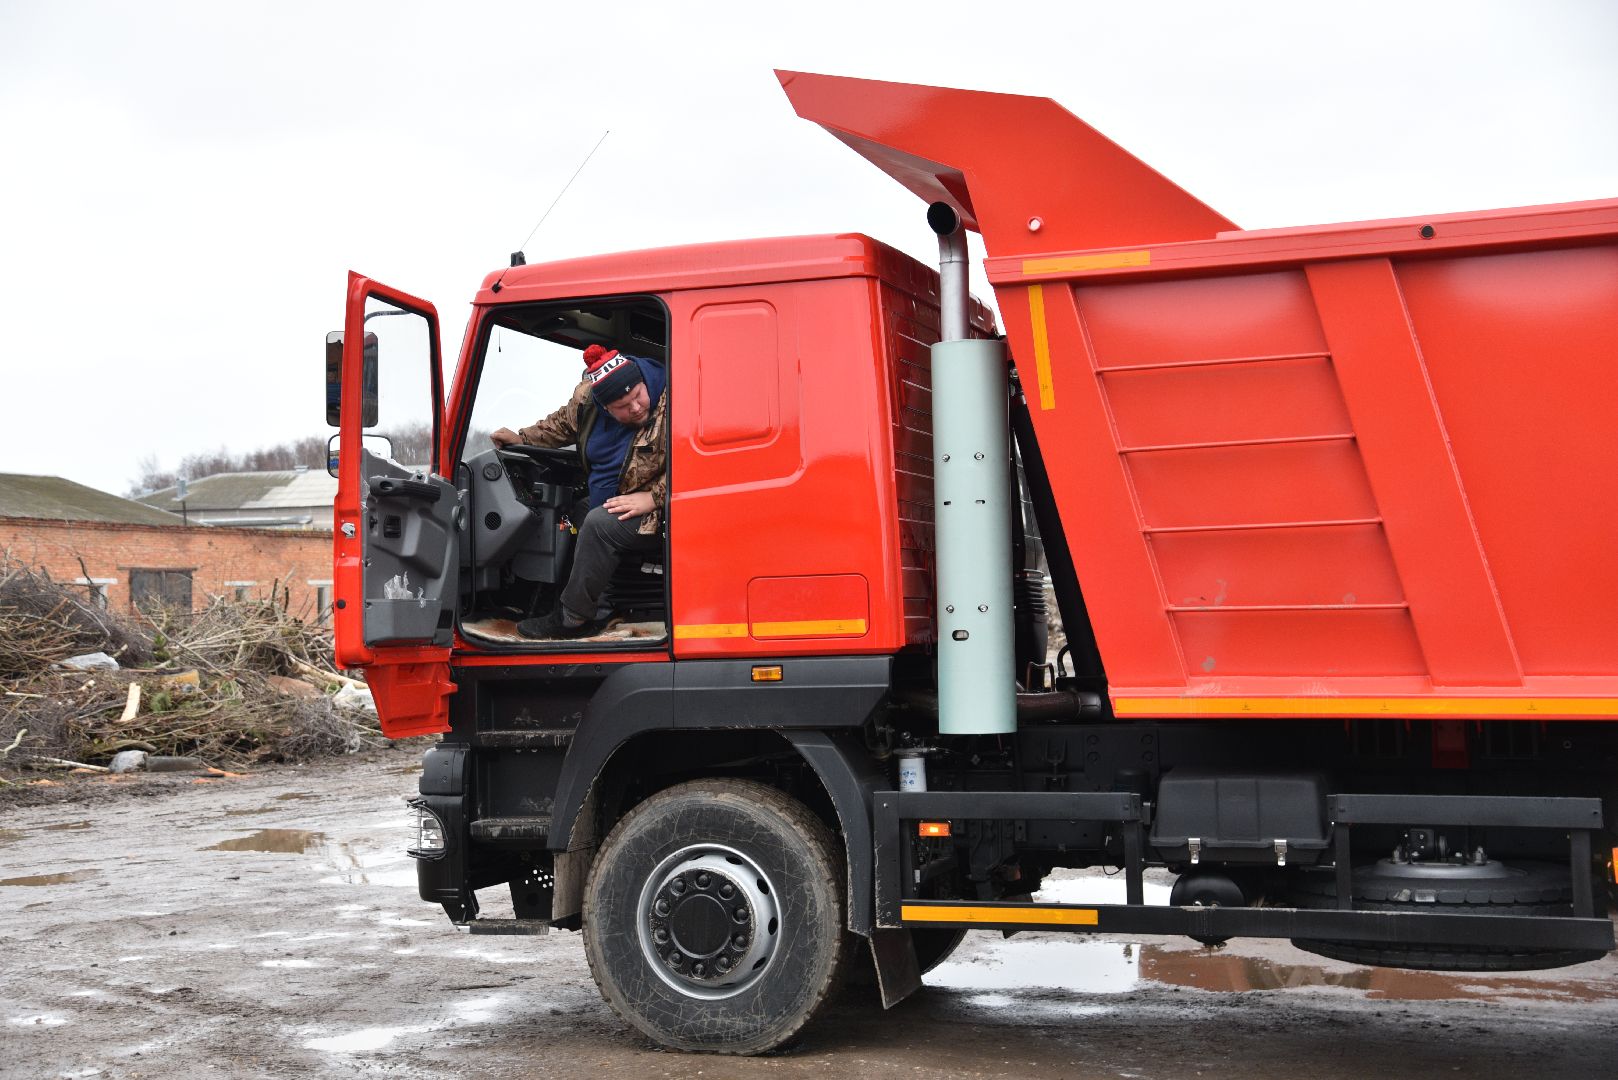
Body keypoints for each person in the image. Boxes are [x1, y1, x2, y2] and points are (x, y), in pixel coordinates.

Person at [490, 343, 667, 639]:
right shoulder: (588, 401)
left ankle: (572, 617)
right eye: (623, 406)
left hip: (669, 507)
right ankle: (596, 606)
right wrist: (522, 438)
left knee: (598, 524)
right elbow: (561, 424)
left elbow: (699, 463)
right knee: (580, 510)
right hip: (620, 498)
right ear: (605, 408)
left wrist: (654, 497)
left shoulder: (672, 401)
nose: (636, 407)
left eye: (638, 395)